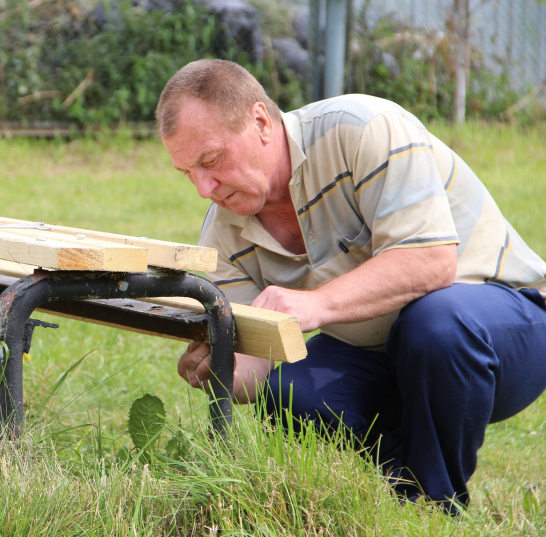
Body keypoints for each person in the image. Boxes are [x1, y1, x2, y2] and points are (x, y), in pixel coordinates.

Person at [156, 59, 546, 512]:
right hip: (387, 354)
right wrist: (220, 366)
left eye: (211, 160)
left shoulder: (364, 128)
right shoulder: (223, 229)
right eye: (188, 173)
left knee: (435, 324)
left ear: (260, 121)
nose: (204, 188)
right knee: (290, 394)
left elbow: (431, 263)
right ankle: (403, 485)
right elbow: (255, 366)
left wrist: (316, 305)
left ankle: (436, 505)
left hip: (507, 329)